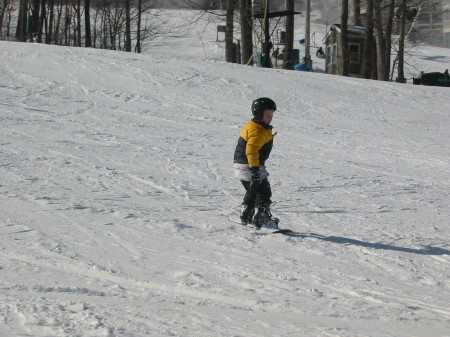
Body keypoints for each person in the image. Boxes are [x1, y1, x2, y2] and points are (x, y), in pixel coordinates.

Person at [233, 98, 277, 228]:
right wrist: (254, 169)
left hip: (244, 164)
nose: (270, 118)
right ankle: (262, 218)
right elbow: (251, 151)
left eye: (272, 115)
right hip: (249, 165)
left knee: (253, 190)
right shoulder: (258, 131)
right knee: (263, 191)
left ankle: (246, 214)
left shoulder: (257, 126)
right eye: (268, 115)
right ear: (259, 114)